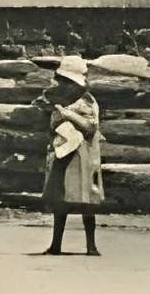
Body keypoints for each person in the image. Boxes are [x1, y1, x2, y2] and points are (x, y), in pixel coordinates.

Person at [42, 55, 104, 256]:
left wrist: (68, 115)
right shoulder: (61, 98)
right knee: (61, 199)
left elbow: (90, 126)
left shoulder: (87, 100)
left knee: (87, 201)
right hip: (65, 154)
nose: (63, 85)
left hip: (84, 154)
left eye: (67, 81)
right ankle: (55, 245)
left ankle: (91, 246)